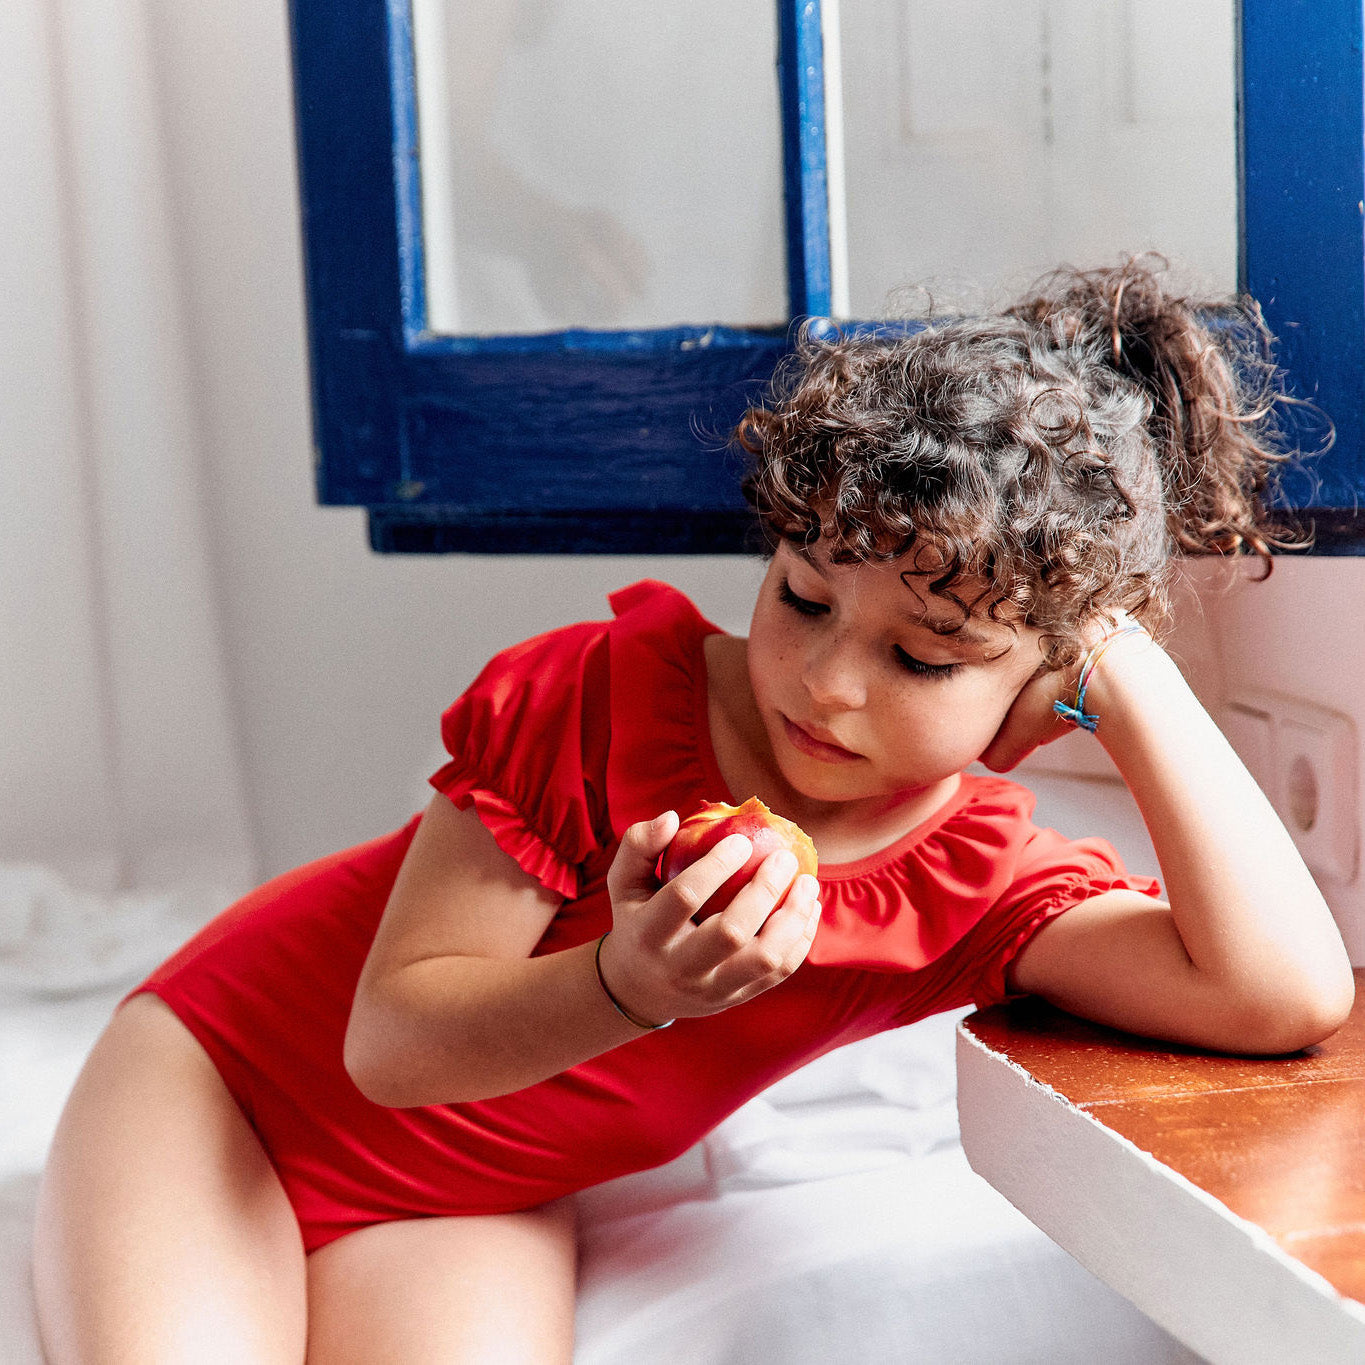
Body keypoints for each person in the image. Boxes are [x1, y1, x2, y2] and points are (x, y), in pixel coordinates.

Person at [33, 257, 1355, 1363]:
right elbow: (391, 1045)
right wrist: (625, 982)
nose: (829, 681)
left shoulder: (965, 883)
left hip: (471, 1195)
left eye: (922, 655)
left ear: (1033, 696)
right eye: (803, 593)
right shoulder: (599, 696)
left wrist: (1124, 673)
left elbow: (1278, 996)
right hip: (232, 1090)